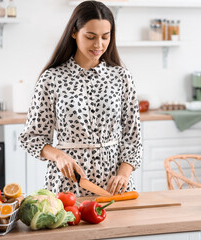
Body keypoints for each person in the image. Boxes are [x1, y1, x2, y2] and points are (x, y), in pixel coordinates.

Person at [19, 1, 142, 196]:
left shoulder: (121, 77)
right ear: (74, 32)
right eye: (90, 36)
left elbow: (132, 137)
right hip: (68, 184)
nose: (98, 44)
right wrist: (58, 156)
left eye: (105, 37)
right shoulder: (52, 78)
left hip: (114, 187)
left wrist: (124, 175)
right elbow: (32, 138)